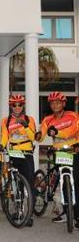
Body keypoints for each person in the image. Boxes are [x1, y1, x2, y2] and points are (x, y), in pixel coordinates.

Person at [35, 91, 79, 227]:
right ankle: (66, 212)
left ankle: (77, 216)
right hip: (59, 153)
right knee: (63, 183)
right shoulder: (47, 120)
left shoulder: (73, 116)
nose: (55, 105)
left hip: (73, 151)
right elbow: (41, 136)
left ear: (63, 104)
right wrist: (37, 135)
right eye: (53, 103)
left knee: (76, 182)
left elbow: (73, 130)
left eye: (58, 103)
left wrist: (57, 132)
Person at [0, 94, 36, 226]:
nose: (17, 107)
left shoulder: (29, 119)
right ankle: (19, 211)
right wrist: (1, 145)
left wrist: (26, 126)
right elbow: (5, 137)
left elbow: (33, 137)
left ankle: (29, 214)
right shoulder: (6, 120)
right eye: (14, 105)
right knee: (17, 183)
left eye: (19, 105)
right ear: (11, 106)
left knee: (29, 183)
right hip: (14, 153)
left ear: (23, 106)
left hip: (26, 153)